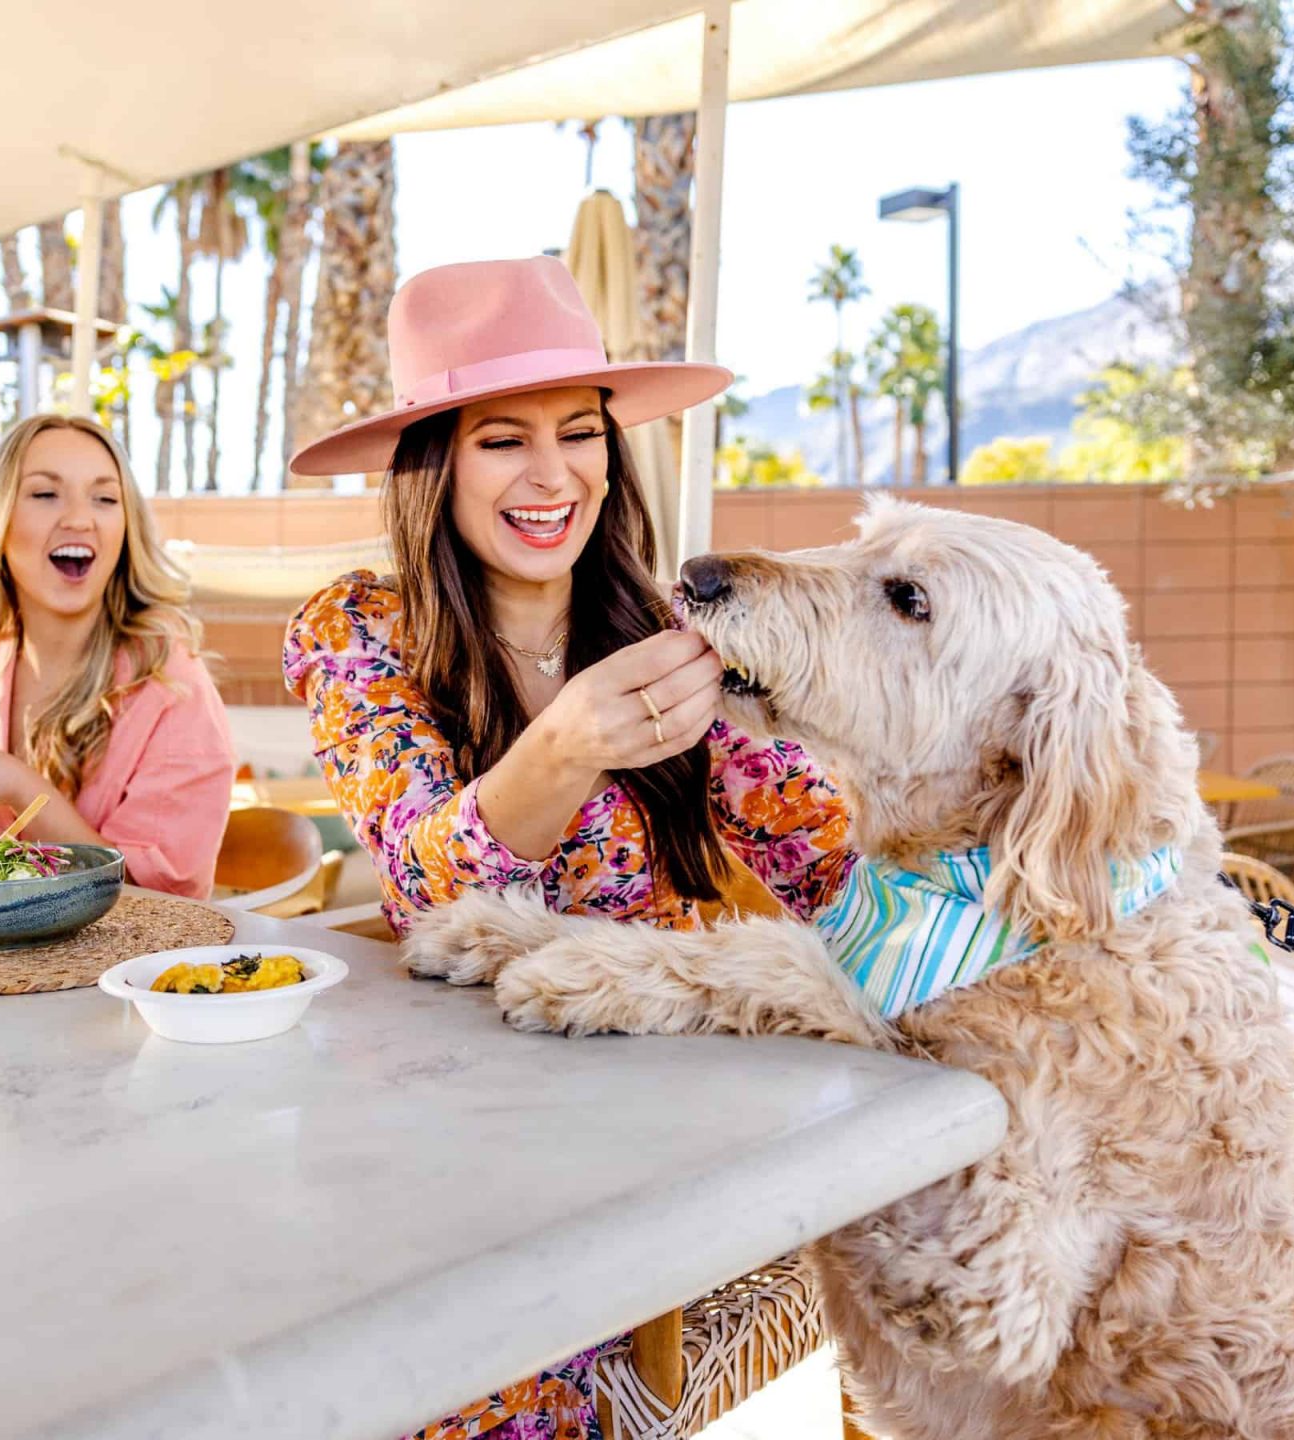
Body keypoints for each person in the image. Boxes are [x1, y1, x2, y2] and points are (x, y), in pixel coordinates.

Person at [281, 257, 855, 1439]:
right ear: (434, 462)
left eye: (580, 433)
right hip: (428, 1118)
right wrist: (568, 743)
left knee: (488, 1378)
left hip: (633, 1125)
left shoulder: (678, 638)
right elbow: (422, 882)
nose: (554, 477)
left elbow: (831, 857)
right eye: (502, 440)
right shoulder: (357, 630)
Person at [0, 414, 236, 899]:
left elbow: (158, 902)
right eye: (45, 494)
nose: (80, 518)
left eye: (104, 498)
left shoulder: (171, 686)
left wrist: (21, 786)